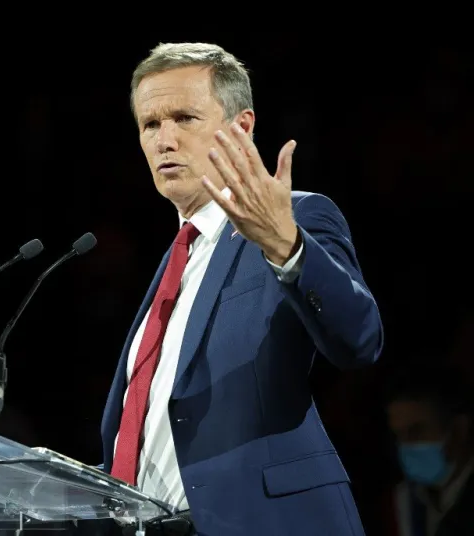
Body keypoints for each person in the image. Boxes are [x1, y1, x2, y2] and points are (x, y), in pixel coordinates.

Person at [98, 42, 384, 535]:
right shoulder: (175, 261)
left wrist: (287, 247)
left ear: (241, 126)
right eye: (151, 124)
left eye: (184, 118)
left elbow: (360, 339)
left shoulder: (295, 218)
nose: (165, 140)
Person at [383, 366, 473, 536]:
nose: (405, 445)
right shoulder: (407, 501)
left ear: (459, 429)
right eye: (398, 435)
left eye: (416, 432)